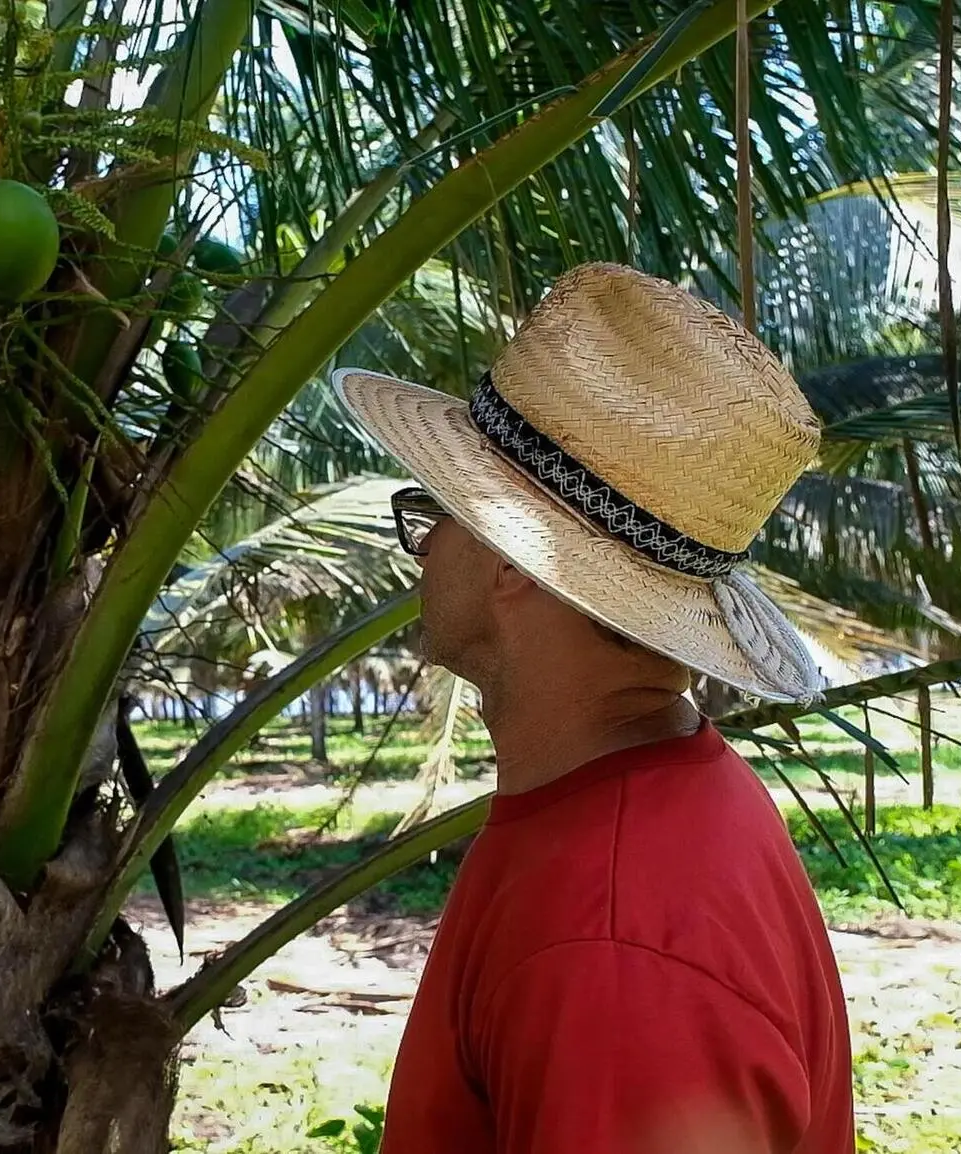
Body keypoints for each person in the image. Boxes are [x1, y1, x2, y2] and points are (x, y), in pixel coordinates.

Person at [332, 263, 855, 1154]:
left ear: (510, 558)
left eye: (436, 515)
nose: (422, 554)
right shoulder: (660, 806)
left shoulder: (610, 943)